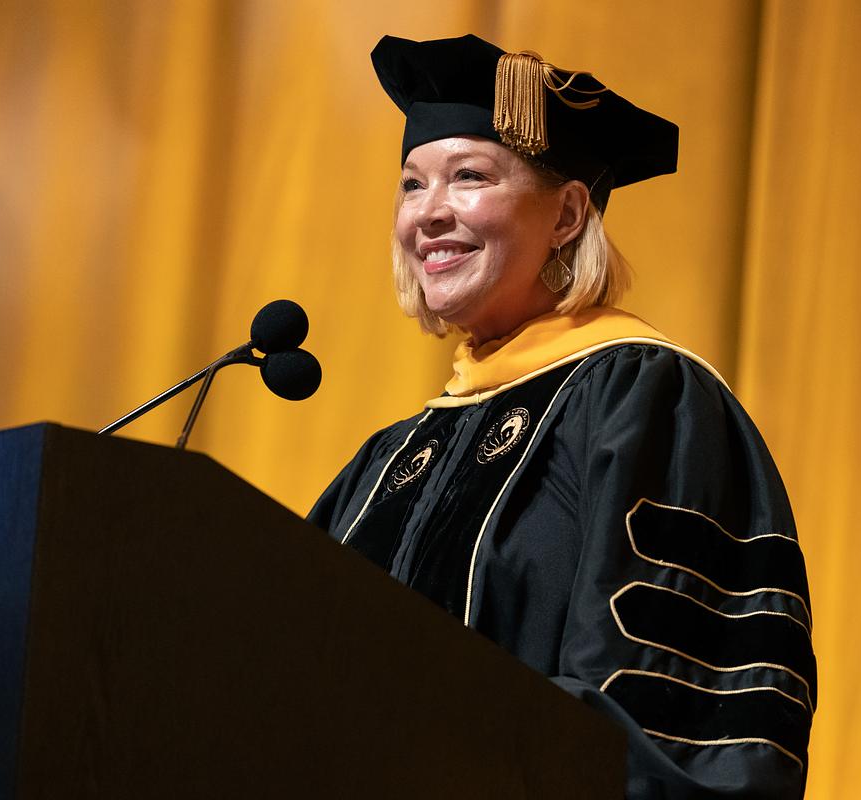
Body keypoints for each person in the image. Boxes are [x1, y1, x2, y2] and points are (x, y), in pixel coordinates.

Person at [309, 34, 815, 799]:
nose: (430, 213)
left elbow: (673, 711)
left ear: (568, 213)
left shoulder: (645, 403)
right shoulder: (388, 461)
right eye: (412, 185)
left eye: (469, 176)